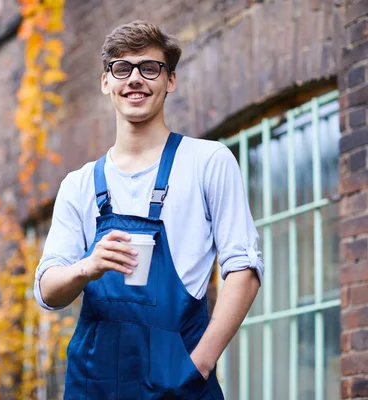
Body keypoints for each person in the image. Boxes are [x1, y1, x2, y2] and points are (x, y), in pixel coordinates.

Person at [33, 20, 263, 400]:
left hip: (180, 382)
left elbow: (244, 268)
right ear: (106, 82)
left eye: (149, 68)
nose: (135, 79)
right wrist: (87, 267)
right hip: (94, 385)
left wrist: (199, 365)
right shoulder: (79, 184)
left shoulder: (207, 161)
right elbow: (47, 290)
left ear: (169, 81)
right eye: (122, 69)